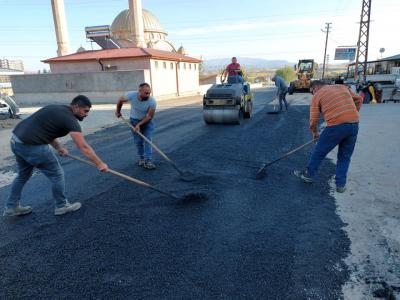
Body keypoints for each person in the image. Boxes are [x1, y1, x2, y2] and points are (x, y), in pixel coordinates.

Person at [4, 95, 108, 217]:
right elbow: (83, 147)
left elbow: (46, 131)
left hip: (16, 142)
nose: (86, 114)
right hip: (33, 146)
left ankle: (11, 207)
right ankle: (62, 206)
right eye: (85, 111)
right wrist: (99, 163)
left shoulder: (55, 109)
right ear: (75, 107)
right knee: (57, 175)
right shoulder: (69, 119)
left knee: (23, 175)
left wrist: (59, 148)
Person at [293, 81, 363, 193]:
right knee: (344, 157)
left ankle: (308, 174)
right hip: (354, 124)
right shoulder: (342, 87)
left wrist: (315, 133)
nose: (312, 94)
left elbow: (314, 119)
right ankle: (340, 185)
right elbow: (359, 99)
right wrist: (351, 115)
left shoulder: (318, 94)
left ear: (315, 87)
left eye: (312, 92)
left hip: (336, 127)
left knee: (319, 152)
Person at [115, 83, 157, 170]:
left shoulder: (152, 101)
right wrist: (118, 111)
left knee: (148, 140)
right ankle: (141, 158)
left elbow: (149, 116)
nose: (148, 95)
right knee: (138, 141)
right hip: (134, 121)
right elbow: (120, 100)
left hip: (147, 122)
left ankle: (147, 161)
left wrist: (139, 125)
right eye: (146, 93)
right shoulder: (131, 95)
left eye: (149, 93)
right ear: (139, 91)